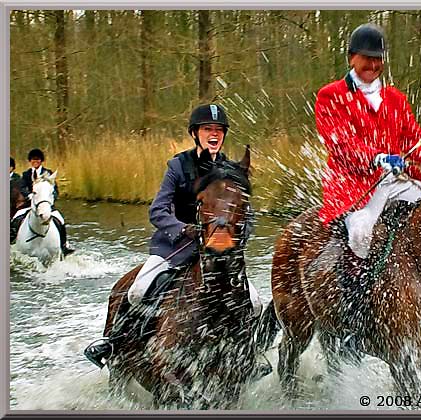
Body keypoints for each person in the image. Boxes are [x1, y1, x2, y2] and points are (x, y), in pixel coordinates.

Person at [84, 104, 266, 373]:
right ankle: (115, 343)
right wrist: (183, 229)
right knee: (137, 290)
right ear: (195, 133)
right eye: (207, 129)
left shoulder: (232, 171)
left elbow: (246, 215)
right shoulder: (178, 166)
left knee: (255, 302)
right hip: (176, 247)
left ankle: (251, 355)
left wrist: (236, 239)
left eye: (218, 130)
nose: (213, 134)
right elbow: (158, 210)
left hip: (219, 255)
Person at [313, 23, 421, 342]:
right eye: (367, 58)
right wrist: (377, 157)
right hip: (353, 186)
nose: (373, 65)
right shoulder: (330, 96)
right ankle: (354, 312)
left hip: (396, 181)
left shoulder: (395, 98)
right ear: (352, 58)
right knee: (362, 232)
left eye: (378, 59)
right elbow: (339, 142)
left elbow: (415, 136)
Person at [10, 149, 74, 255]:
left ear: (41, 161)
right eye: (33, 159)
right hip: (30, 204)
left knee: (60, 220)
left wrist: (52, 198)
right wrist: (28, 195)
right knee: (16, 217)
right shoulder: (26, 174)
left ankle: (64, 246)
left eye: (37, 159)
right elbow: (22, 187)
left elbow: (55, 190)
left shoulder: (48, 173)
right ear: (30, 161)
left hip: (46, 205)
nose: (35, 161)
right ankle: (12, 242)